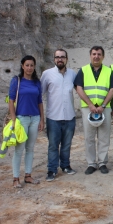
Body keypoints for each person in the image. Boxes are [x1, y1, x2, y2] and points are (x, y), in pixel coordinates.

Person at [74, 46, 113, 175]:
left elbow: (112, 89)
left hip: (104, 108)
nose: (96, 56)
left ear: (103, 57)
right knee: (89, 137)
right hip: (88, 109)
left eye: (99, 54)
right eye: (94, 54)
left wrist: (103, 105)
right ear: (90, 56)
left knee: (104, 137)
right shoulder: (83, 70)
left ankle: (102, 162)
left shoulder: (109, 71)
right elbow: (79, 88)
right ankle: (91, 163)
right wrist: (90, 105)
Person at [41, 49, 77, 182]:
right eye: (57, 57)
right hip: (53, 118)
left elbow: (80, 90)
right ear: (54, 59)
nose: (60, 59)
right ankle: (52, 170)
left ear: (67, 58)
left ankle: (66, 166)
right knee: (53, 145)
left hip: (69, 117)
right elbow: (40, 94)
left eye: (62, 57)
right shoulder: (47, 74)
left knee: (67, 144)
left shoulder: (72, 74)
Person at [8, 55, 44, 188]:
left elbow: (40, 101)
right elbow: (11, 100)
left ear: (34, 67)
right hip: (21, 118)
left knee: (30, 149)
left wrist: (42, 119)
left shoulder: (36, 82)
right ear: (22, 66)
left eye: (32, 65)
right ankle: (15, 178)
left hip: (34, 118)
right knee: (19, 149)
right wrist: (13, 119)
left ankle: (28, 175)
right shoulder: (16, 81)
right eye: (27, 65)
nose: (29, 68)